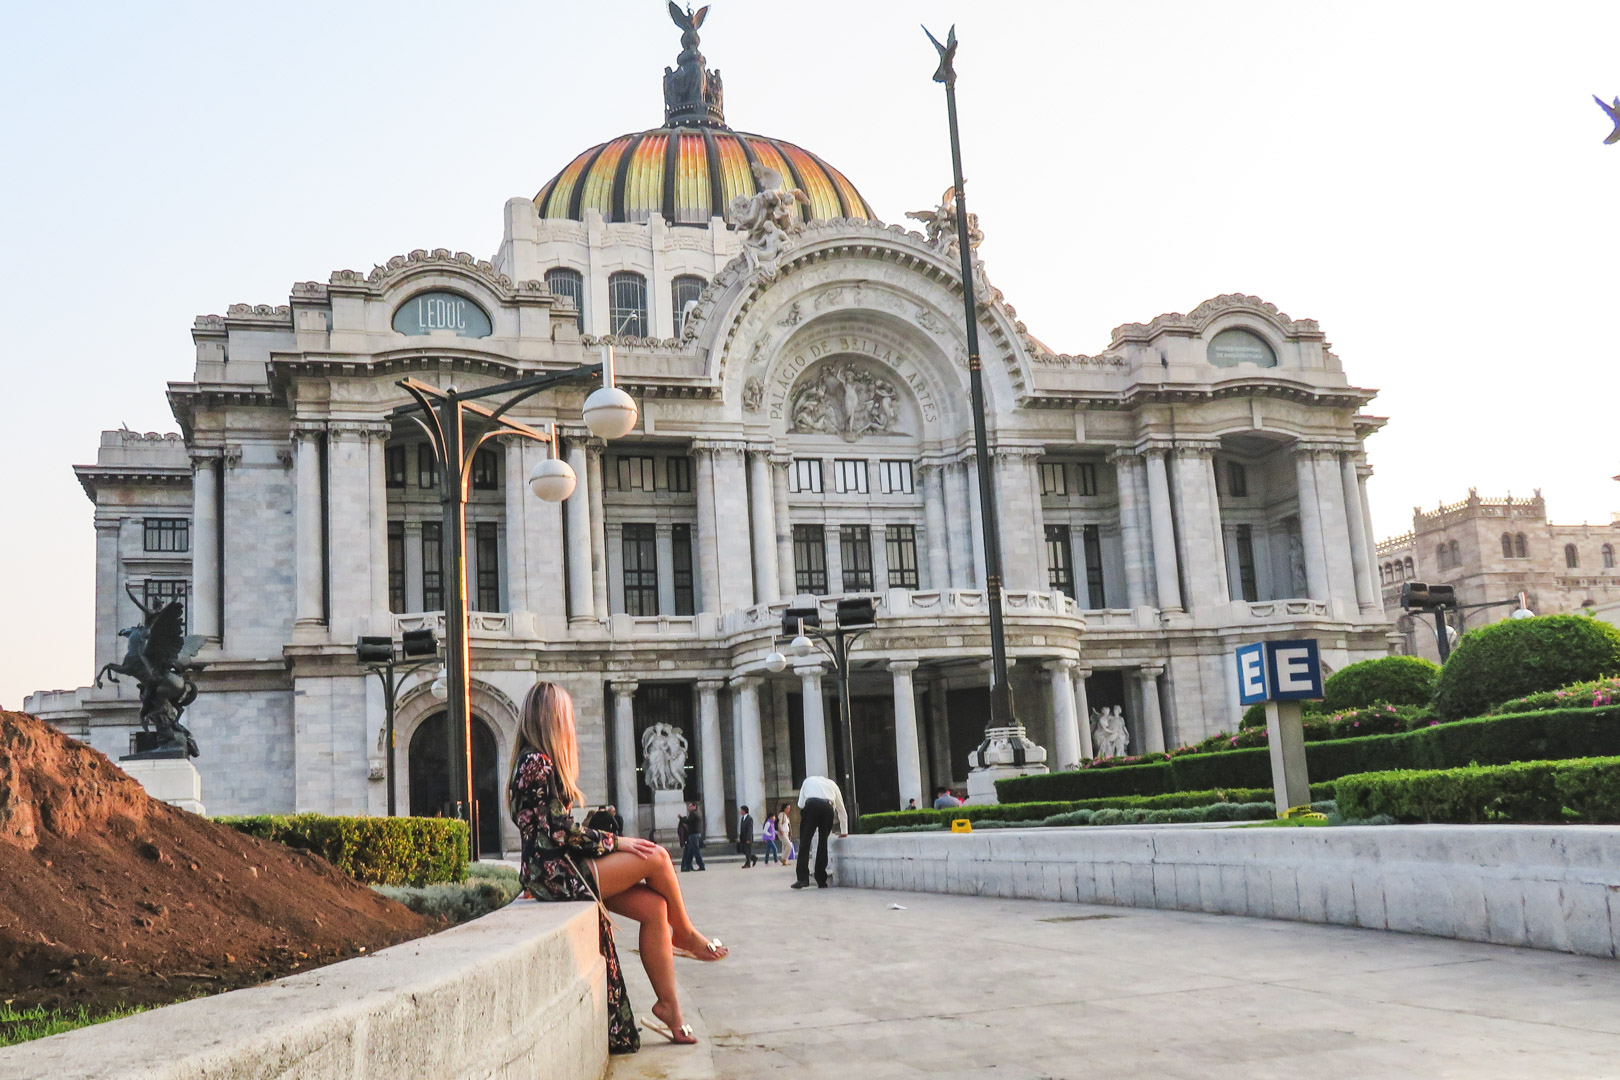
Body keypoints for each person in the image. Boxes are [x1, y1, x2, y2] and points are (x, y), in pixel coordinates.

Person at [509, 682, 728, 1052]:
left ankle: (669, 1009)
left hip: (559, 869)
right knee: (656, 857)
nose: (572, 723)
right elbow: (557, 831)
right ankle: (687, 935)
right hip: (557, 874)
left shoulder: (535, 762)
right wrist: (616, 841)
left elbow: (553, 827)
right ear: (550, 719)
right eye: (566, 715)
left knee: (656, 909)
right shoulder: (537, 763)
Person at [792, 775, 848, 890]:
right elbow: (841, 809)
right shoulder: (832, 784)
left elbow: (801, 804)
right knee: (823, 843)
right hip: (828, 808)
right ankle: (821, 880)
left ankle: (803, 879)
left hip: (811, 806)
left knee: (805, 843)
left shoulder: (807, 781)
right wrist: (844, 830)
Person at [679, 801, 705, 872]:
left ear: (694, 807)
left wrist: (681, 818)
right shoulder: (695, 813)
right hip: (694, 834)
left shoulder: (693, 813)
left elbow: (688, 821)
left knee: (696, 851)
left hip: (693, 835)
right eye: (689, 806)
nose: (689, 807)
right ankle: (687, 866)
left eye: (690, 806)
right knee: (690, 851)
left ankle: (701, 865)